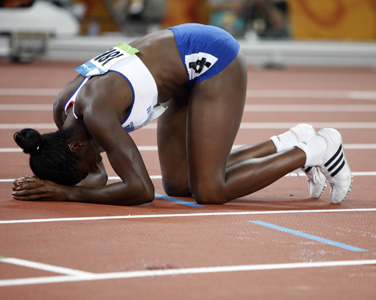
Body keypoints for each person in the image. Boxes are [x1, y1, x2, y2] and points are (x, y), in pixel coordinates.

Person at [12, 23, 352, 206]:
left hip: (212, 57)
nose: (98, 163)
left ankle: (318, 148)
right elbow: (97, 180)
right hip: (179, 70)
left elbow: (141, 190)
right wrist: (55, 183)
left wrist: (67, 193)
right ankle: (289, 140)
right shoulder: (65, 113)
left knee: (210, 191)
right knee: (178, 184)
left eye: (91, 161)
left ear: (73, 148)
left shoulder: (98, 115)